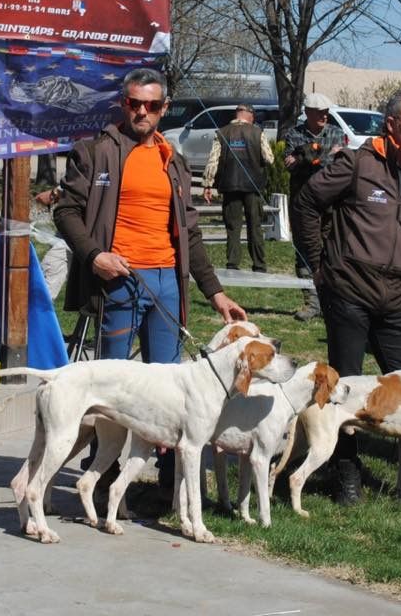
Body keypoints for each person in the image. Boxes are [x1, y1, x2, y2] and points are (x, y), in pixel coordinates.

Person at [54, 67, 246, 490]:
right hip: (118, 281)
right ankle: (100, 480)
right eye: (134, 104)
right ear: (123, 105)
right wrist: (94, 256)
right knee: (111, 390)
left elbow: (190, 234)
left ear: (164, 109)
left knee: (169, 393)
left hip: (166, 284)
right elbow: (65, 211)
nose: (142, 112)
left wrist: (215, 293)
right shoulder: (96, 151)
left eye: (152, 105)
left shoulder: (172, 160)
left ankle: (166, 484)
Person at [294, 87, 401, 505]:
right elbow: (306, 203)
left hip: (393, 295)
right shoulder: (357, 163)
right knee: (345, 384)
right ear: (392, 125)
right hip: (348, 290)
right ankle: (345, 472)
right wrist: (319, 264)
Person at [282, 92, 343, 321]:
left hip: (330, 202)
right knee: (305, 250)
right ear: (308, 113)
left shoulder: (336, 133)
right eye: (321, 114)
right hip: (302, 202)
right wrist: (323, 155)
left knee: (330, 249)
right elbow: (289, 164)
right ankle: (311, 302)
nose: (325, 117)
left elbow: (338, 162)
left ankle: (330, 300)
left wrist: (306, 155)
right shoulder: (293, 134)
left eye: (327, 113)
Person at [201, 103, 274, 272]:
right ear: (250, 115)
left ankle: (232, 264)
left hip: (230, 185)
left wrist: (207, 184)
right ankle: (259, 265)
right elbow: (269, 158)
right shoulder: (257, 132)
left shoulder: (222, 132)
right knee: (254, 226)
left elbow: (213, 161)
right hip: (253, 186)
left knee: (233, 227)